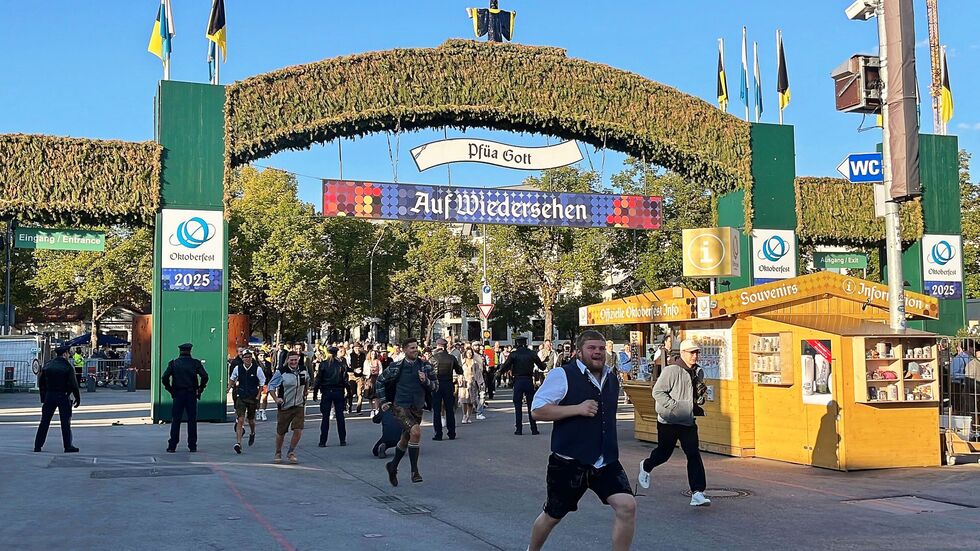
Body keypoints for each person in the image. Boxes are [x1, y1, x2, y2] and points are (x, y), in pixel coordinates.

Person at [527, 330, 635, 551]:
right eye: (591, 348)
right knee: (552, 516)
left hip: (605, 460)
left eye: (601, 348)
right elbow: (537, 411)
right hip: (569, 462)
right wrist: (577, 409)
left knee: (627, 506)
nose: (597, 352)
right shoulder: (562, 375)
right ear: (579, 352)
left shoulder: (612, 378)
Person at [638, 339, 711, 507]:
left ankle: (698, 492)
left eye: (697, 352)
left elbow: (693, 394)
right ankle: (647, 466)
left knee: (693, 454)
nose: (695, 355)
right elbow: (657, 392)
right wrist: (674, 407)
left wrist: (699, 399)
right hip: (668, 420)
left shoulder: (698, 372)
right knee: (664, 453)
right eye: (692, 352)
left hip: (687, 420)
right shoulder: (672, 370)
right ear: (683, 353)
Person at [376, 338, 438, 485]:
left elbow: (436, 387)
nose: (415, 350)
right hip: (400, 406)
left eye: (416, 347)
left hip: (417, 407)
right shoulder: (396, 367)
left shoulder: (425, 366)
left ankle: (392, 466)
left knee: (406, 438)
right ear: (404, 350)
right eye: (412, 348)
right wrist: (384, 401)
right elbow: (380, 381)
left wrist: (426, 381)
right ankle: (414, 471)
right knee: (416, 432)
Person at [162, 343, 209, 453]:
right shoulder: (195, 363)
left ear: (180, 351)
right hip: (191, 393)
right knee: (192, 420)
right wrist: (200, 388)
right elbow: (205, 376)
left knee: (176, 420)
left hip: (178, 394)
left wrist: (170, 389)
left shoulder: (173, 363)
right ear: (190, 351)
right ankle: (192, 445)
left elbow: (164, 377)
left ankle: (172, 445)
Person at [34, 344, 81, 453]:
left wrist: (44, 397)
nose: (69, 355)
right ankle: (68, 446)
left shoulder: (48, 365)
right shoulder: (68, 367)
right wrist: (77, 398)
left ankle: (38, 445)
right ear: (65, 354)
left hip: (49, 396)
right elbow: (74, 384)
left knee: (44, 421)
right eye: (68, 353)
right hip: (63, 396)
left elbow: (42, 383)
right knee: (65, 422)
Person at [498, 336, 546, 435]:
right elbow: (541, 366)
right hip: (528, 380)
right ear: (526, 343)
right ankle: (534, 428)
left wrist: (499, 372)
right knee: (530, 405)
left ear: (517, 343)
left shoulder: (514, 354)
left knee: (518, 405)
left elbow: (506, 366)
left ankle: (519, 428)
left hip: (518, 380)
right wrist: (544, 363)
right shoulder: (531, 353)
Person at [268, 351, 309, 464]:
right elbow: (271, 386)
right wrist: (276, 399)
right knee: (281, 432)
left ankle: (291, 452)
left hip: (299, 405)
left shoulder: (303, 370)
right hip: (285, 406)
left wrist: (305, 391)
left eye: (295, 359)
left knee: (298, 429)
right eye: (291, 360)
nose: (294, 362)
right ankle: (278, 452)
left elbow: (306, 381)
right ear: (287, 360)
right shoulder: (281, 372)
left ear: (298, 359)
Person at [230, 349, 265, 454]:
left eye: (249, 357)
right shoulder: (238, 368)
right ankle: (238, 443)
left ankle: (253, 432)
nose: (247, 359)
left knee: (251, 420)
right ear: (242, 358)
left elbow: (262, 383)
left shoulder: (257, 369)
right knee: (240, 419)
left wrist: (258, 395)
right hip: (241, 395)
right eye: (245, 357)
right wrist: (230, 386)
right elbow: (232, 378)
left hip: (252, 397)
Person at [429, 338, 463, 441]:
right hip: (448, 384)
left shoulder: (433, 358)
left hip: (437, 385)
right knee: (449, 409)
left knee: (437, 410)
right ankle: (451, 433)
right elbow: (459, 370)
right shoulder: (451, 358)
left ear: (438, 346)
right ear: (445, 346)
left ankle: (438, 434)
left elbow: (429, 372)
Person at [313, 346, 348, 447]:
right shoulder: (341, 364)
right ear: (336, 353)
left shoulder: (323, 364)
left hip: (327, 391)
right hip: (338, 391)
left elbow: (318, 379)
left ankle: (322, 441)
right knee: (340, 416)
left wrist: (315, 392)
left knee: (325, 417)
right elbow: (345, 381)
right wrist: (349, 393)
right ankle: (342, 440)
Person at [459, 348, 485, 424]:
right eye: (468, 353)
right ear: (465, 353)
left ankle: (468, 416)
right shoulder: (462, 362)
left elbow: (478, 374)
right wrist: (459, 377)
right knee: (464, 401)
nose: (469, 354)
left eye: (471, 353)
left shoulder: (475, 363)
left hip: (472, 383)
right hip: (464, 383)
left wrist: (481, 383)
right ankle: (464, 415)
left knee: (471, 401)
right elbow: (459, 371)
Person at [348, 342, 367, 414]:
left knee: (360, 393)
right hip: (352, 375)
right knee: (351, 392)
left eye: (358, 348)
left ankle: (358, 409)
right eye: (356, 348)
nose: (357, 349)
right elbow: (348, 365)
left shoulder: (363, 355)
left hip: (360, 376)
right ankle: (349, 406)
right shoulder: (350, 355)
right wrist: (354, 370)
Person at [257, 351, 273, 421]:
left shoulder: (268, 364)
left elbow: (270, 373)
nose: (262, 357)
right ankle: (257, 411)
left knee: (265, 397)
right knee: (257, 398)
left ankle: (263, 411)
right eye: (260, 355)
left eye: (263, 355)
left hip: (266, 383)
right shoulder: (255, 364)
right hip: (257, 383)